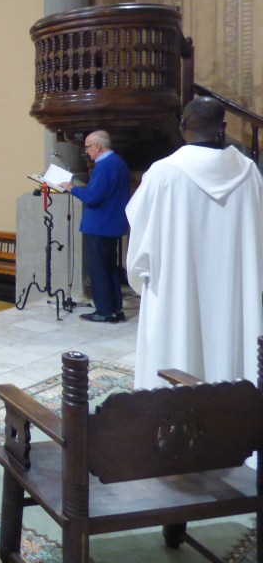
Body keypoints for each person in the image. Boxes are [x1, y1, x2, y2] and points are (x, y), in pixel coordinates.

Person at [126, 97, 263, 390]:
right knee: (230, 362)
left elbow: (140, 234)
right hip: (233, 292)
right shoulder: (249, 172)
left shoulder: (163, 173)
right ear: (223, 127)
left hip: (177, 291)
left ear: (182, 125)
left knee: (177, 349)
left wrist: (140, 276)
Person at [61, 130, 130, 323]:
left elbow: (93, 197)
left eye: (88, 147)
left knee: (98, 269)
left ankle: (104, 311)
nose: (86, 151)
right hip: (112, 223)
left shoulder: (104, 165)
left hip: (99, 225)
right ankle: (115, 308)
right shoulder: (118, 162)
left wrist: (72, 188)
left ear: (98, 147)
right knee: (110, 268)